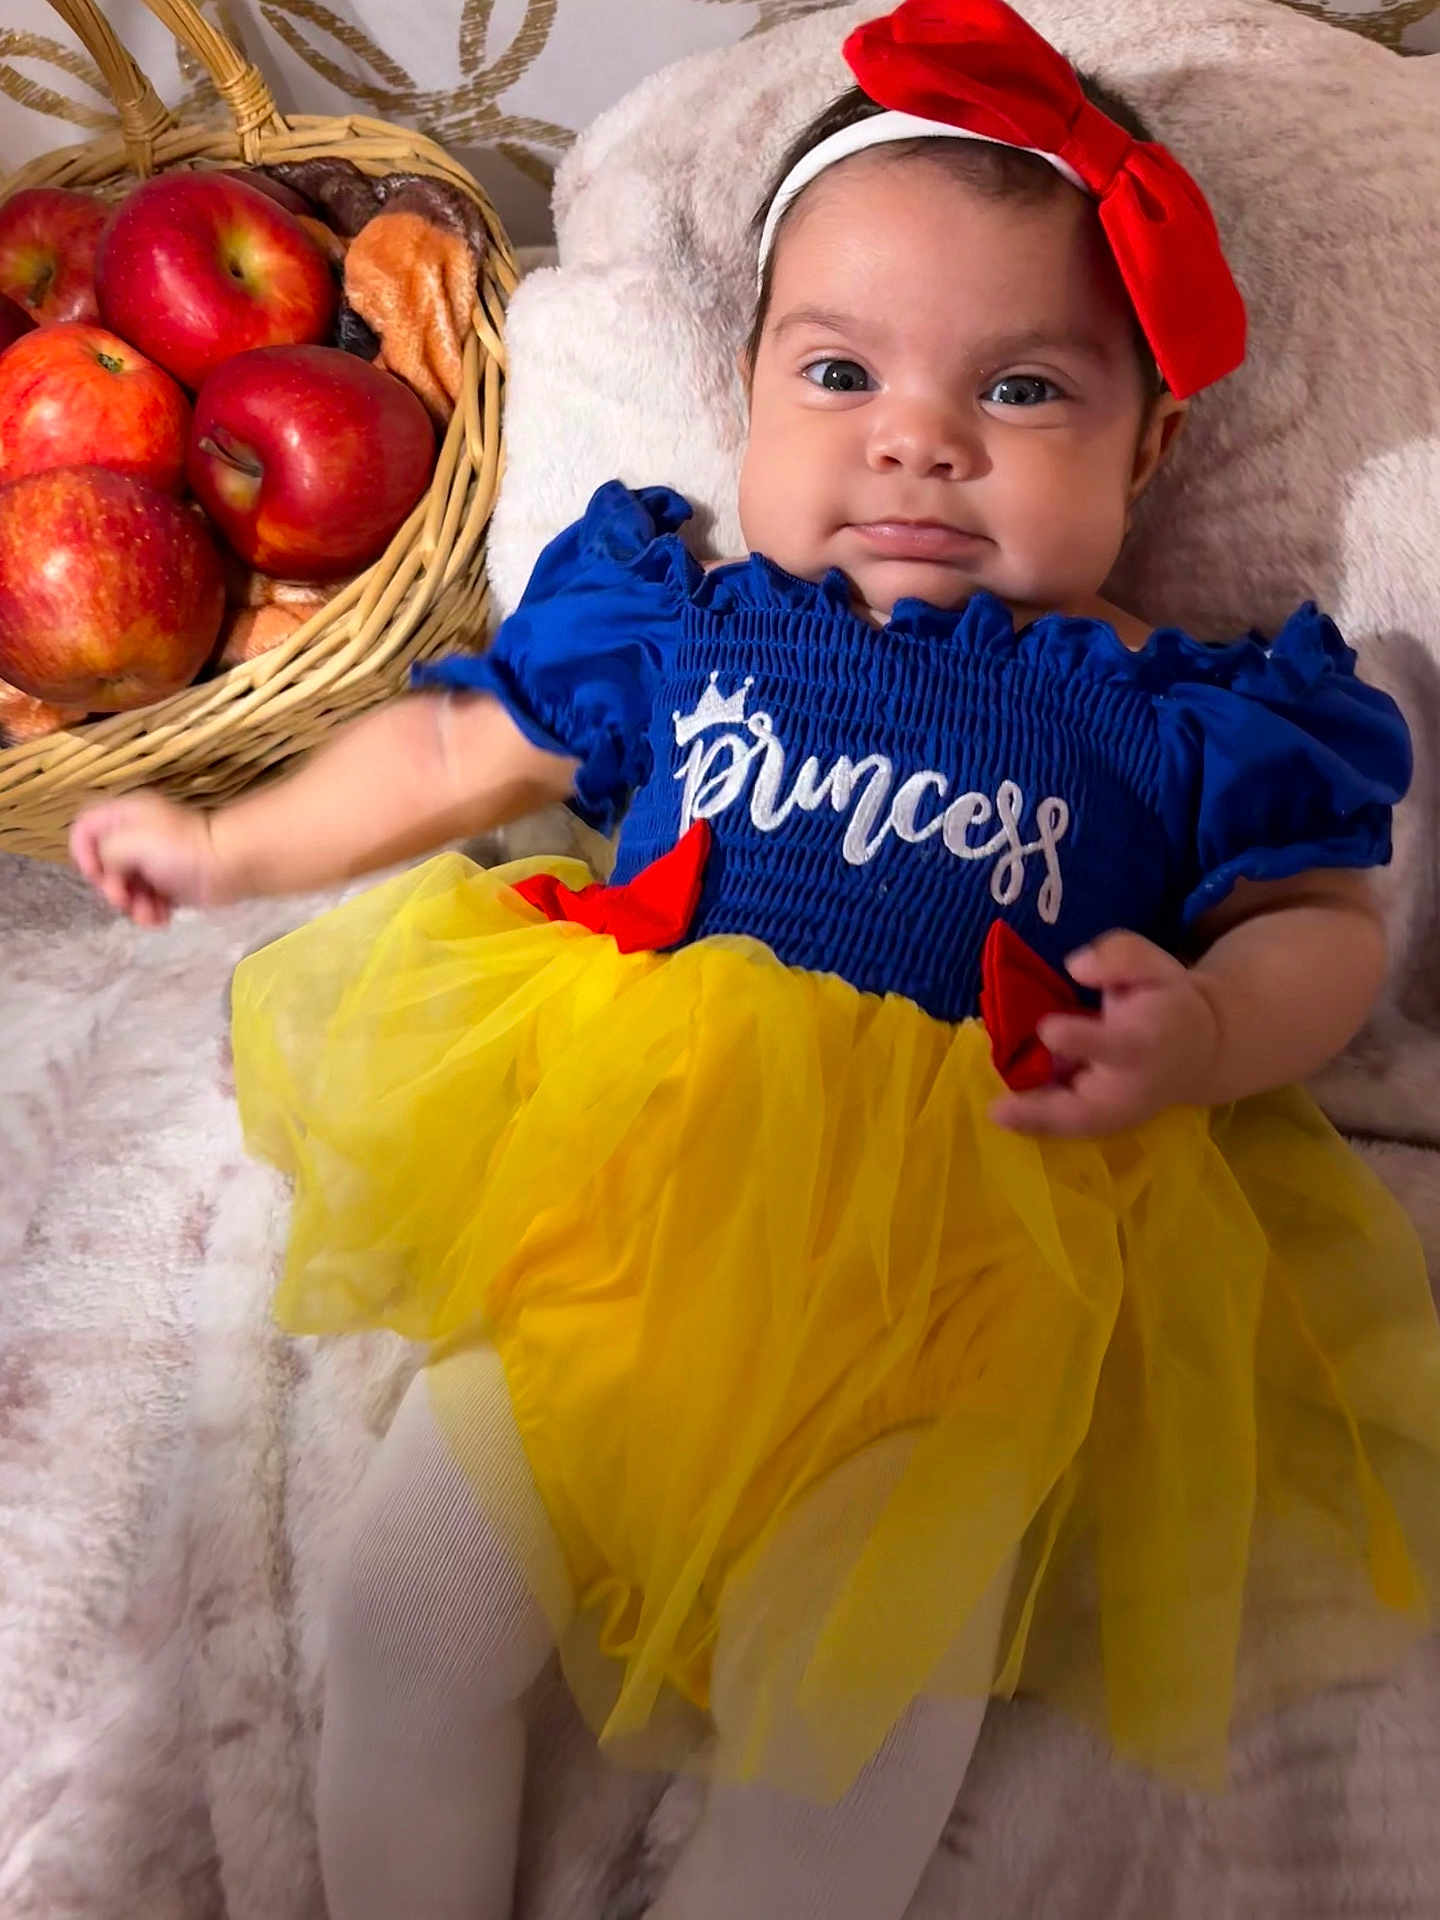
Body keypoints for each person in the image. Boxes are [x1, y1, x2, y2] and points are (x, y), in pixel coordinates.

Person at [70, 2, 1440, 1917]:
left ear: (1158, 439)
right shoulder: (687, 618)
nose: (919, 436)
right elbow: (461, 745)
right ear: (746, 389)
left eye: (1026, 391)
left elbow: (1324, 931)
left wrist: (1207, 1026)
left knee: (862, 1719)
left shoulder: (1179, 708)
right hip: (624, 1202)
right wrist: (230, 839)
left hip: (975, 1273)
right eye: (840, 369)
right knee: (405, 1614)